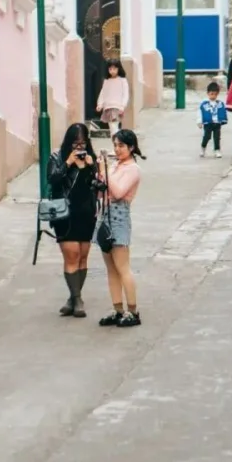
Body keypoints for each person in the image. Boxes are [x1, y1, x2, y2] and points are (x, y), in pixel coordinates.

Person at [46, 123, 99, 317]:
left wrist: (92, 166)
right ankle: (78, 300)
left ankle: (73, 297)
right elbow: (52, 179)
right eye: (75, 143)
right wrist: (68, 163)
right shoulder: (56, 157)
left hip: (86, 213)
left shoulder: (91, 158)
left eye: (83, 143)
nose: (79, 147)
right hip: (65, 214)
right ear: (68, 142)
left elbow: (97, 185)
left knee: (83, 257)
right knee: (72, 255)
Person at [96, 129, 145, 328]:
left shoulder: (133, 169)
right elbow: (103, 191)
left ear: (131, 147)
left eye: (121, 146)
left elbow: (117, 192)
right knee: (111, 268)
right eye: (115, 145)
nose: (117, 149)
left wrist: (104, 171)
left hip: (119, 216)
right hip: (104, 215)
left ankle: (133, 311)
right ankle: (117, 309)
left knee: (122, 266)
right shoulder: (115, 165)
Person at [95, 59, 129, 136]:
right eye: (110, 69)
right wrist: (100, 104)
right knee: (112, 128)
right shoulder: (107, 81)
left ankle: (117, 141)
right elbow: (103, 93)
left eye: (114, 69)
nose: (112, 71)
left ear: (119, 68)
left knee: (114, 127)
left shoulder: (122, 80)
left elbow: (125, 94)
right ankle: (117, 142)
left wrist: (122, 106)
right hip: (108, 107)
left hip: (117, 107)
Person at [197, 81, 228, 158]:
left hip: (217, 123)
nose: (213, 96)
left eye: (215, 94)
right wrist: (199, 121)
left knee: (217, 137)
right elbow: (200, 112)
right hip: (208, 123)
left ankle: (217, 150)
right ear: (208, 93)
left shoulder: (220, 103)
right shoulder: (204, 104)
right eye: (211, 94)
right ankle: (203, 147)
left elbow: (223, 112)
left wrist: (223, 120)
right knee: (207, 136)